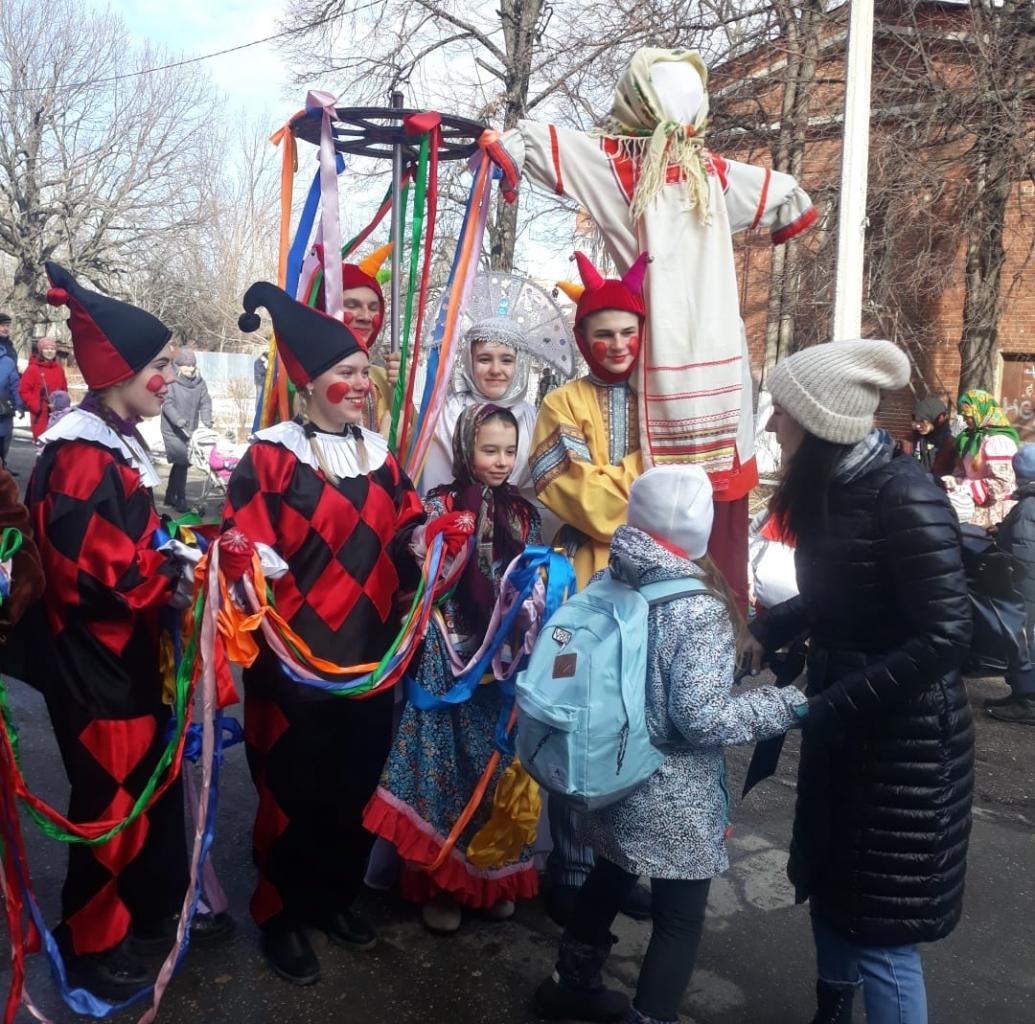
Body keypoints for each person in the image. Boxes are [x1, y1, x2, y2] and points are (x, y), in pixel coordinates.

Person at [485, 47, 816, 610]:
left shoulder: (621, 166)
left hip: (666, 379)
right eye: (600, 336)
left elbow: (536, 142)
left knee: (684, 543)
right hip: (713, 377)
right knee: (711, 542)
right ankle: (715, 650)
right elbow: (785, 193)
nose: (610, 345)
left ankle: (699, 650)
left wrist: (507, 146)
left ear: (635, 106)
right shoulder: (712, 174)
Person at [743, 339, 973, 1024]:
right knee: (834, 890)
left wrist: (826, 706)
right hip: (847, 728)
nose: (771, 425)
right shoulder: (832, 487)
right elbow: (837, 595)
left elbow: (944, 638)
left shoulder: (903, 494)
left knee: (881, 932)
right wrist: (766, 630)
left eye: (781, 412)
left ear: (818, 421)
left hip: (904, 748)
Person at [534, 465, 808, 1024]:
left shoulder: (614, 578)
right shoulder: (698, 606)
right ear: (700, 527)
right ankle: (652, 1015)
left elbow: (648, 676)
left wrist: (727, 670)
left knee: (609, 874)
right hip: (672, 794)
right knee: (680, 919)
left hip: (613, 773)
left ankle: (569, 984)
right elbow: (699, 718)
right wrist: (790, 705)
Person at [26, 263, 232, 1000]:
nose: (170, 378)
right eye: (160, 366)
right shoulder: (81, 455)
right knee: (108, 803)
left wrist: (184, 548)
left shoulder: (111, 443)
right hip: (96, 670)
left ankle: (148, 915)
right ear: (118, 370)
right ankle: (89, 943)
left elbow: (130, 544)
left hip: (125, 662)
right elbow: (94, 577)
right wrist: (181, 573)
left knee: (141, 791)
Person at [229, 280, 425, 986]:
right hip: (295, 661)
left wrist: (433, 538)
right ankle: (280, 916)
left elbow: (405, 533)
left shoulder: (380, 454)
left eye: (364, 372)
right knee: (291, 792)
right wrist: (246, 558)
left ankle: (334, 897)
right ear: (308, 383)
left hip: (371, 660)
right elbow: (245, 547)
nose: (360, 385)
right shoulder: (270, 458)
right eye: (344, 373)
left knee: (353, 787)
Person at [365, 404, 541, 935]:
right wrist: (439, 545)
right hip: (448, 651)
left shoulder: (523, 513)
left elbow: (527, 575)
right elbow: (422, 575)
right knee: (444, 768)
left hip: (502, 655)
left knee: (492, 764)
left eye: (510, 451)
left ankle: (487, 880)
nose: (501, 461)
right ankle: (437, 885)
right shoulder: (440, 502)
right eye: (490, 450)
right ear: (466, 448)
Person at [529, 252, 651, 925]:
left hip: (652, 586)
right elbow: (588, 507)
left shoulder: (662, 399)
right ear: (582, 340)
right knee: (582, 717)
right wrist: (641, 475)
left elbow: (679, 491)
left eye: (627, 332)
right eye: (601, 334)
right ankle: (571, 866)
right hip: (582, 583)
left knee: (640, 718)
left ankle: (618, 865)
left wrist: (611, 476)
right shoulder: (559, 403)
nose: (616, 345)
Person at [988, 444, 1035, 725]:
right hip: (1028, 582)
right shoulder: (1028, 505)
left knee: (1024, 639)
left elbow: (1024, 550)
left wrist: (1009, 578)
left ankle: (1028, 698)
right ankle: (1022, 693)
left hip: (1026, 586)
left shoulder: (1029, 506)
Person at [948, 389, 1020, 530]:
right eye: (963, 415)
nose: (964, 420)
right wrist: (954, 482)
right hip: (969, 506)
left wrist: (966, 488)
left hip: (992, 512)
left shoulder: (998, 441)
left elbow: (1002, 483)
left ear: (980, 412)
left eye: (968, 416)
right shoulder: (970, 438)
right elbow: (964, 472)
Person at [159, 347, 213, 512]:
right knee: (182, 461)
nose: (190, 369)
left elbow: (205, 401)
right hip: (173, 429)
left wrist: (206, 418)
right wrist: (178, 420)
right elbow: (167, 404)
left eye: (192, 365)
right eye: (186, 365)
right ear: (179, 365)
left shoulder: (199, 382)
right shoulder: (172, 381)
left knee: (181, 463)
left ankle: (170, 496)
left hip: (190, 428)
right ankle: (180, 499)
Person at [18, 336, 68, 440]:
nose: (49, 351)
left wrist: (62, 406)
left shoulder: (59, 369)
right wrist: (37, 406)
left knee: (56, 447)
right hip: (40, 414)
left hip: (57, 413)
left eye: (52, 349)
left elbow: (64, 391)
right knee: (42, 446)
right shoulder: (33, 369)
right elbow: (24, 391)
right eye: (46, 348)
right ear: (41, 351)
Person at [898, 396, 956, 477]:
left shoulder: (950, 444)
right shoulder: (910, 439)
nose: (918, 426)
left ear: (936, 420)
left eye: (922, 421)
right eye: (916, 421)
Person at [0, 314, 23, 472]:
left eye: (8, 325)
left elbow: (14, 379)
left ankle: (3, 466)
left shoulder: (10, 348)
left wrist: (18, 402)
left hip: (5, 402)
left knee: (5, 437)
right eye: (2, 325)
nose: (6, 328)